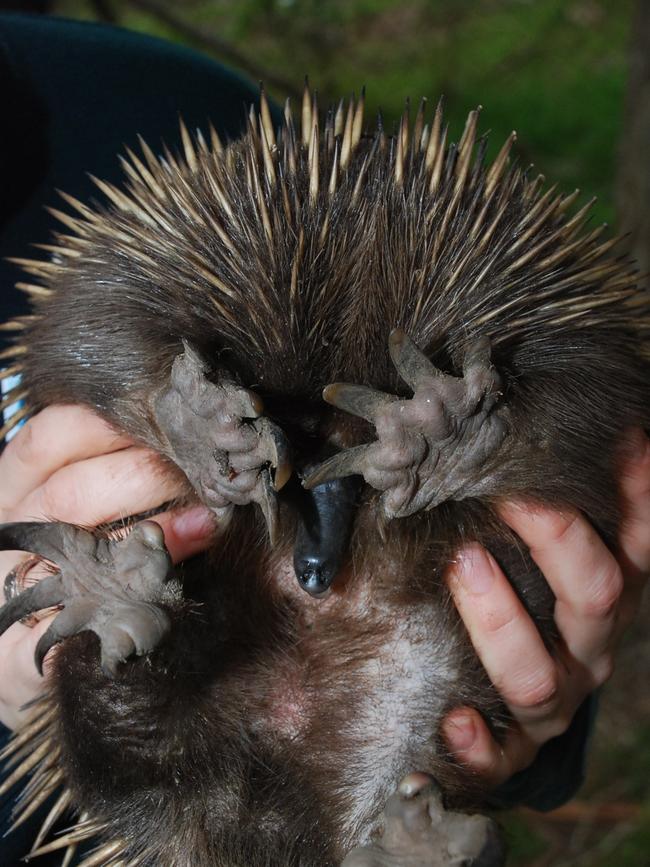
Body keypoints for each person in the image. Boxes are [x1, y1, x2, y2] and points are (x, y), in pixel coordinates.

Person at [0, 11, 648, 863]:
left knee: (161, 727)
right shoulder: (173, 127)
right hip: (216, 655)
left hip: (411, 619)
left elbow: (603, 446)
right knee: (150, 756)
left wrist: (162, 400)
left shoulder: (167, 111)